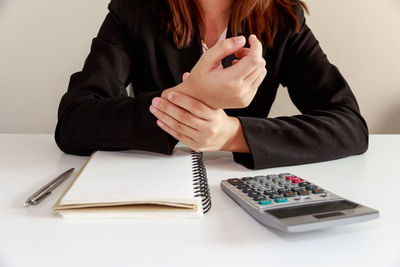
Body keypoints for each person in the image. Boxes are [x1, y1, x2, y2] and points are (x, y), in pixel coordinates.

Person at [55, 0, 368, 170]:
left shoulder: (282, 16)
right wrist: (191, 95)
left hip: (239, 193)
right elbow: (74, 122)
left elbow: (349, 125)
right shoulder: (133, 9)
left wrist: (232, 135)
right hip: (150, 183)